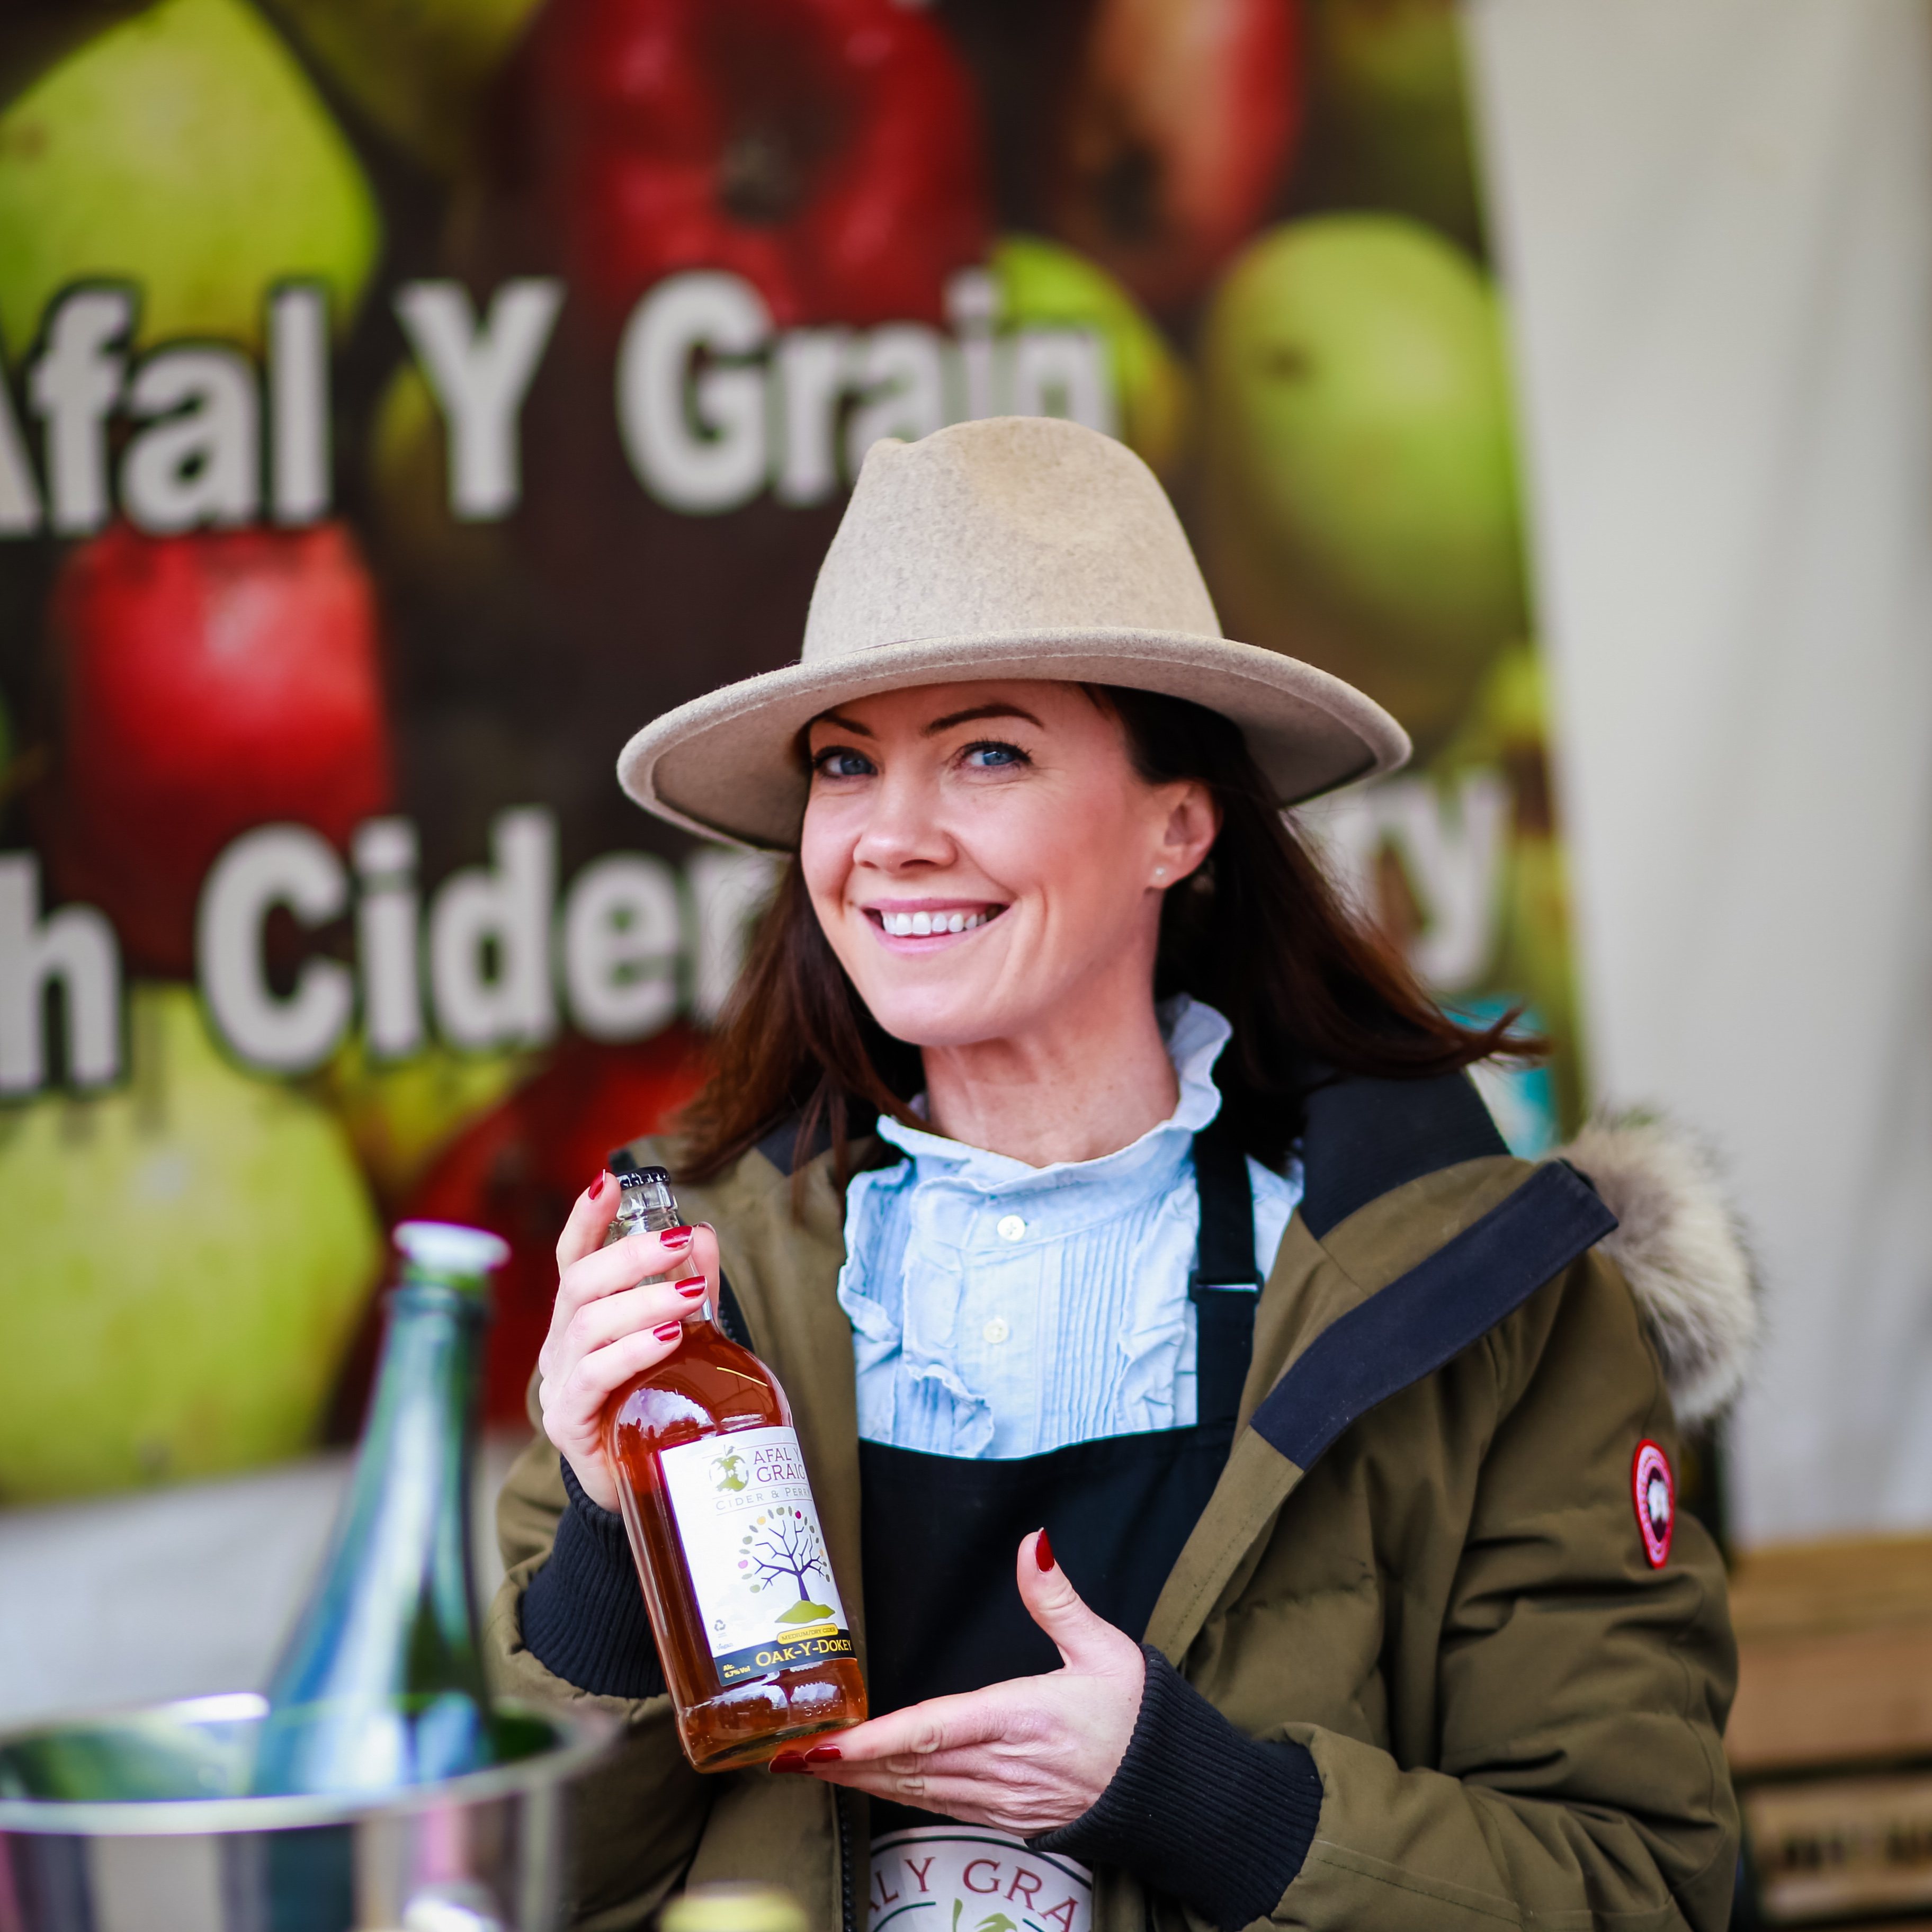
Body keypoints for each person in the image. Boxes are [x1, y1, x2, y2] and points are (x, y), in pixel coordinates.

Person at [488, 416, 1752, 1932]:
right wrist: (613, 1525)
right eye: (845, 763)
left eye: (987, 751)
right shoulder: (689, 1288)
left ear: (1179, 824)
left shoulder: (1490, 1305)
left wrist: (1192, 1791)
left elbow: (1643, 1888)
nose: (889, 838)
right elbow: (524, 1895)